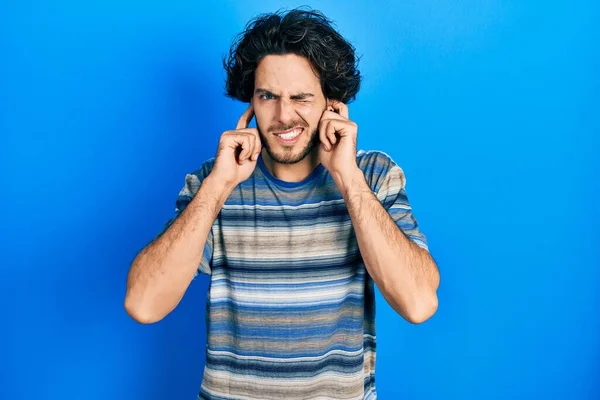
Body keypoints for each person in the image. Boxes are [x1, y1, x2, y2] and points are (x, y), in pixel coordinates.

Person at [125, 7, 440, 400]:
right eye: (268, 96)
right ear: (250, 102)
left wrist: (347, 178)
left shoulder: (371, 176)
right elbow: (143, 304)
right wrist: (219, 185)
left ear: (332, 102)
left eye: (301, 98)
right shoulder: (216, 180)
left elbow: (419, 303)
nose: (283, 115)